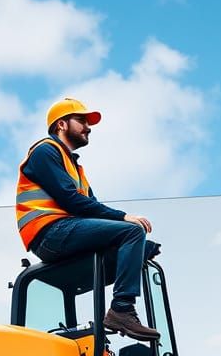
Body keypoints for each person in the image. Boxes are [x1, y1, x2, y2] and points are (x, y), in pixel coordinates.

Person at [16, 97, 160, 341]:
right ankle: (122, 309)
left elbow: (91, 207)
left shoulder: (75, 167)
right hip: (49, 231)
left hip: (67, 230)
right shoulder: (45, 151)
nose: (88, 127)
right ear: (61, 125)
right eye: (81, 120)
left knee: (140, 244)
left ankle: (122, 305)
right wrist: (125, 218)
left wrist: (141, 248)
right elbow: (73, 202)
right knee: (132, 231)